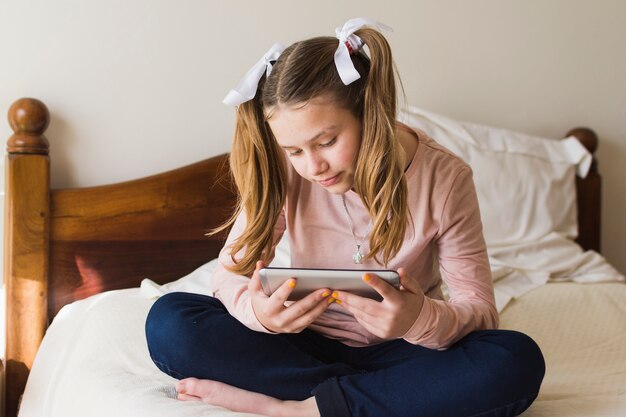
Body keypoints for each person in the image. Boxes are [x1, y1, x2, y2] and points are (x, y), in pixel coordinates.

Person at [145, 18, 545, 417]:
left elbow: (479, 310)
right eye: (295, 151)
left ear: (371, 113)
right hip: (303, 342)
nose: (314, 166)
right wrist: (261, 316)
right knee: (171, 321)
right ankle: (367, 401)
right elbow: (231, 273)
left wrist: (416, 317)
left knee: (514, 358)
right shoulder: (284, 172)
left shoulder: (445, 178)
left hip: (407, 350)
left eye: (327, 141)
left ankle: (300, 409)